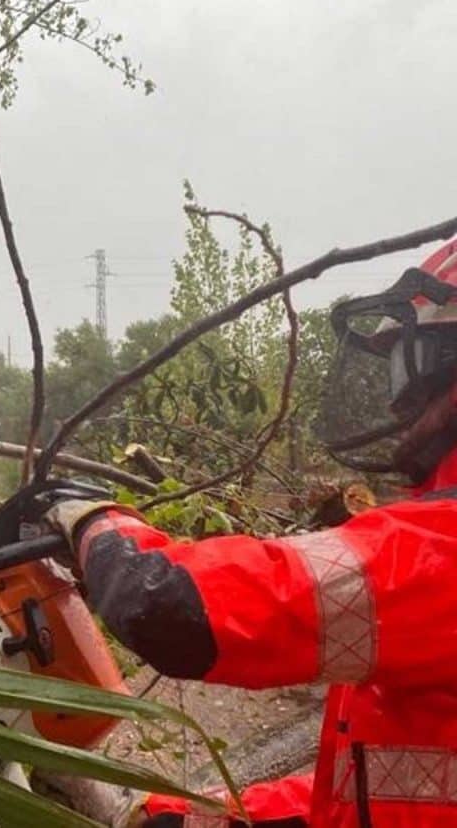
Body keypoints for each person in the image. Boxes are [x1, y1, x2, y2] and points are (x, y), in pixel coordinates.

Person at [44, 240, 457, 827]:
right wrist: (193, 818)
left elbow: (170, 605)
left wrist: (94, 522)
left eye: (418, 366)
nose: (402, 399)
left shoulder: (440, 550)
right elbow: (376, 784)